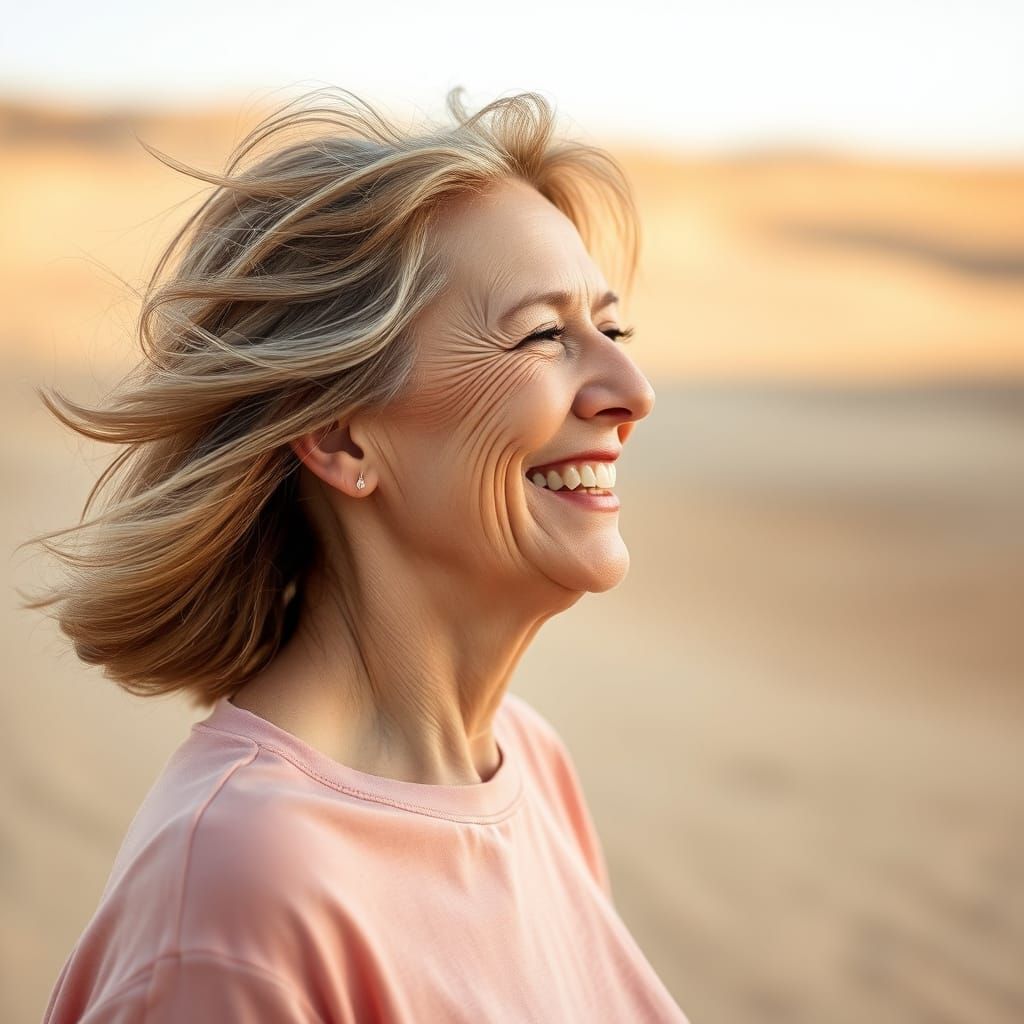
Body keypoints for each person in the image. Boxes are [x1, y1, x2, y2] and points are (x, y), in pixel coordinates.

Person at [25, 86, 689, 1022]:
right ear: (340, 438)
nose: (632, 389)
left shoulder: (525, 763)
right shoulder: (236, 903)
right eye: (545, 333)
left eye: (611, 329)